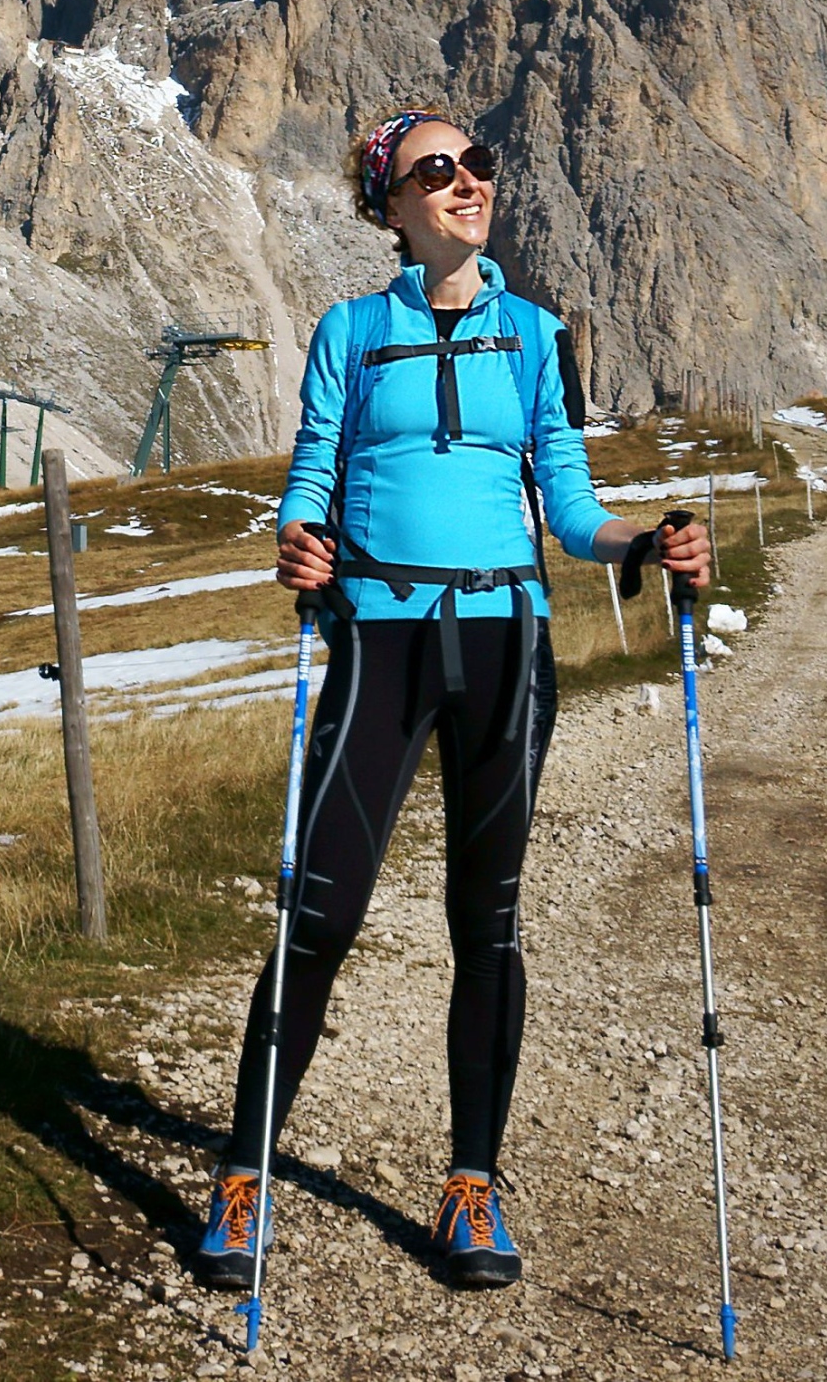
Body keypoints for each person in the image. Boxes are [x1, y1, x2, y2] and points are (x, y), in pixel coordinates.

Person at [189, 108, 709, 1294]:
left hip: (508, 645)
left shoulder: (536, 334)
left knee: (488, 922)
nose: (469, 181)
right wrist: (298, 538)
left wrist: (646, 542)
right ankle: (243, 1175)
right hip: (378, 642)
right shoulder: (348, 332)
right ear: (392, 205)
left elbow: (569, 504)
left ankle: (471, 1185)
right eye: (439, 169)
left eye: (479, 164)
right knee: (317, 913)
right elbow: (314, 468)